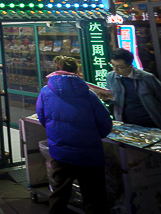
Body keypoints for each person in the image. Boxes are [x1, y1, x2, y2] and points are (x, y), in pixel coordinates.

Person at [36, 55, 112, 214]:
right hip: (89, 152)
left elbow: (42, 118)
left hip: (60, 152)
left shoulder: (45, 91)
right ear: (77, 71)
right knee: (94, 197)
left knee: (59, 193)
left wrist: (57, 135)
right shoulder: (88, 93)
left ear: (56, 69)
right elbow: (105, 123)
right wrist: (94, 136)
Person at [105, 47, 161, 129]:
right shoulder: (111, 77)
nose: (115, 69)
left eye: (120, 67)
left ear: (130, 66)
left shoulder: (147, 78)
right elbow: (113, 100)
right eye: (113, 65)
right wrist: (106, 98)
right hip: (125, 123)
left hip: (149, 123)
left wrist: (158, 114)